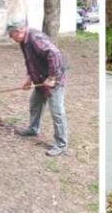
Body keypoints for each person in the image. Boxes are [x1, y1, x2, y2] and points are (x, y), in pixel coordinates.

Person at [7, 20, 68, 157]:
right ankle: (33, 129)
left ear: (19, 31)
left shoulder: (35, 38)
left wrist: (52, 77)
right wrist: (29, 77)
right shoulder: (24, 41)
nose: (11, 38)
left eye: (11, 35)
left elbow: (54, 54)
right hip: (40, 78)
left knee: (57, 112)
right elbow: (31, 61)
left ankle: (61, 144)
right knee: (35, 103)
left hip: (54, 80)